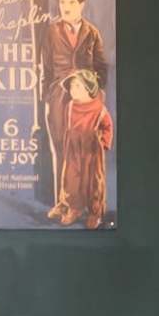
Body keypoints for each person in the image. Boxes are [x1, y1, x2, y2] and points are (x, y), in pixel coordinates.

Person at [32, 0, 109, 223]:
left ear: (81, 4)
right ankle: (63, 202)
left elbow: (102, 67)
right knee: (60, 149)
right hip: (58, 97)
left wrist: (94, 93)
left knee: (86, 152)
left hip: (85, 102)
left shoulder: (92, 32)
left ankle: (88, 206)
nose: (66, 6)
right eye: (62, 2)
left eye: (71, 2)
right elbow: (45, 68)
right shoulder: (51, 31)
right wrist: (47, 98)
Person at [52, 64, 112, 228]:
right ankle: (73, 207)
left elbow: (107, 126)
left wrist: (104, 143)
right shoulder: (70, 106)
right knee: (71, 177)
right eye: (71, 86)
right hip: (73, 147)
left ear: (88, 89)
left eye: (77, 86)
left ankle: (95, 212)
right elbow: (68, 125)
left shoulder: (99, 109)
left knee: (93, 180)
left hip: (91, 149)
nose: (73, 89)